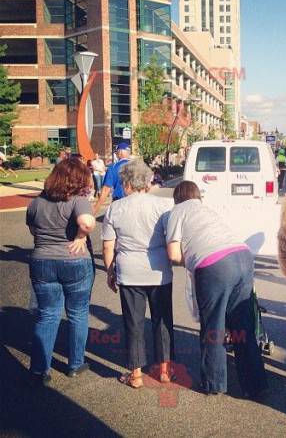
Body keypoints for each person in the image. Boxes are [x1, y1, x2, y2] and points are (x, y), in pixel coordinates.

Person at [166, 181, 267, 397]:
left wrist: (193, 259)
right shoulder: (207, 210)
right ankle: (255, 385)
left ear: (177, 198)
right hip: (243, 256)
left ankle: (214, 384)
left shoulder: (178, 211)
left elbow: (174, 254)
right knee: (243, 324)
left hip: (215, 265)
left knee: (214, 326)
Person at [102, 159, 175, 389]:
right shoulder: (164, 205)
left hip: (129, 270)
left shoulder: (115, 208)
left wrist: (110, 271)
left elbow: (107, 246)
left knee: (133, 323)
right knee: (162, 320)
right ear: (147, 180)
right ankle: (164, 370)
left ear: (126, 183)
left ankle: (136, 375)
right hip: (159, 270)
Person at [25, 158, 96, 386]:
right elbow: (86, 223)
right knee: (77, 312)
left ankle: (40, 369)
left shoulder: (36, 203)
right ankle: (75, 364)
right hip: (74, 260)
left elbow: (33, 229)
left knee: (47, 314)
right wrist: (80, 237)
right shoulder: (78, 200)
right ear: (79, 180)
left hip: (42, 260)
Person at [94, 142, 130, 215]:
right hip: (136, 203)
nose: (116, 155)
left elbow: (106, 190)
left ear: (120, 152)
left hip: (119, 203)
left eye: (116, 153)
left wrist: (95, 209)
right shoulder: (137, 165)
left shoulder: (113, 167)